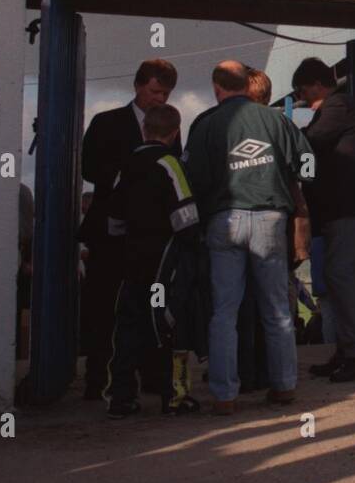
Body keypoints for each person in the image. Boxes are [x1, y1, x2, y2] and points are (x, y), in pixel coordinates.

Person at [186, 61, 314, 415]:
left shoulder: (205, 125)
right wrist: (281, 178)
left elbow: (191, 178)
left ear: (216, 87)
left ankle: (225, 395)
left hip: (223, 220)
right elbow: (308, 165)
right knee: (277, 309)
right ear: (247, 84)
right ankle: (284, 386)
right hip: (270, 218)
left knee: (224, 311)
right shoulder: (275, 120)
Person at [77, 58, 179, 401]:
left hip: (148, 238)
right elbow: (89, 166)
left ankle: (148, 375)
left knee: (151, 305)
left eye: (165, 94)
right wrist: (127, 177)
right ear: (137, 86)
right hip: (110, 235)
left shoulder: (167, 124)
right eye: (154, 92)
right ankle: (99, 378)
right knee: (104, 305)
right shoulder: (107, 123)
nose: (159, 99)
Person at [105, 104, 200, 418]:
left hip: (132, 258)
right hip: (165, 259)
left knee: (128, 324)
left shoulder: (127, 164)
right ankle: (175, 395)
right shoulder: (170, 163)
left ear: (144, 129)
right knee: (170, 323)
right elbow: (186, 217)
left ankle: (121, 397)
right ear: (175, 133)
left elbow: (113, 218)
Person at [291, 57, 355, 382]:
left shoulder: (337, 105)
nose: (302, 98)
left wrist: (289, 137)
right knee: (338, 279)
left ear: (317, 84)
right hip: (339, 211)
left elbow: (310, 143)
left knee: (342, 276)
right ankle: (346, 350)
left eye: (303, 91)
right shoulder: (330, 110)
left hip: (349, 210)